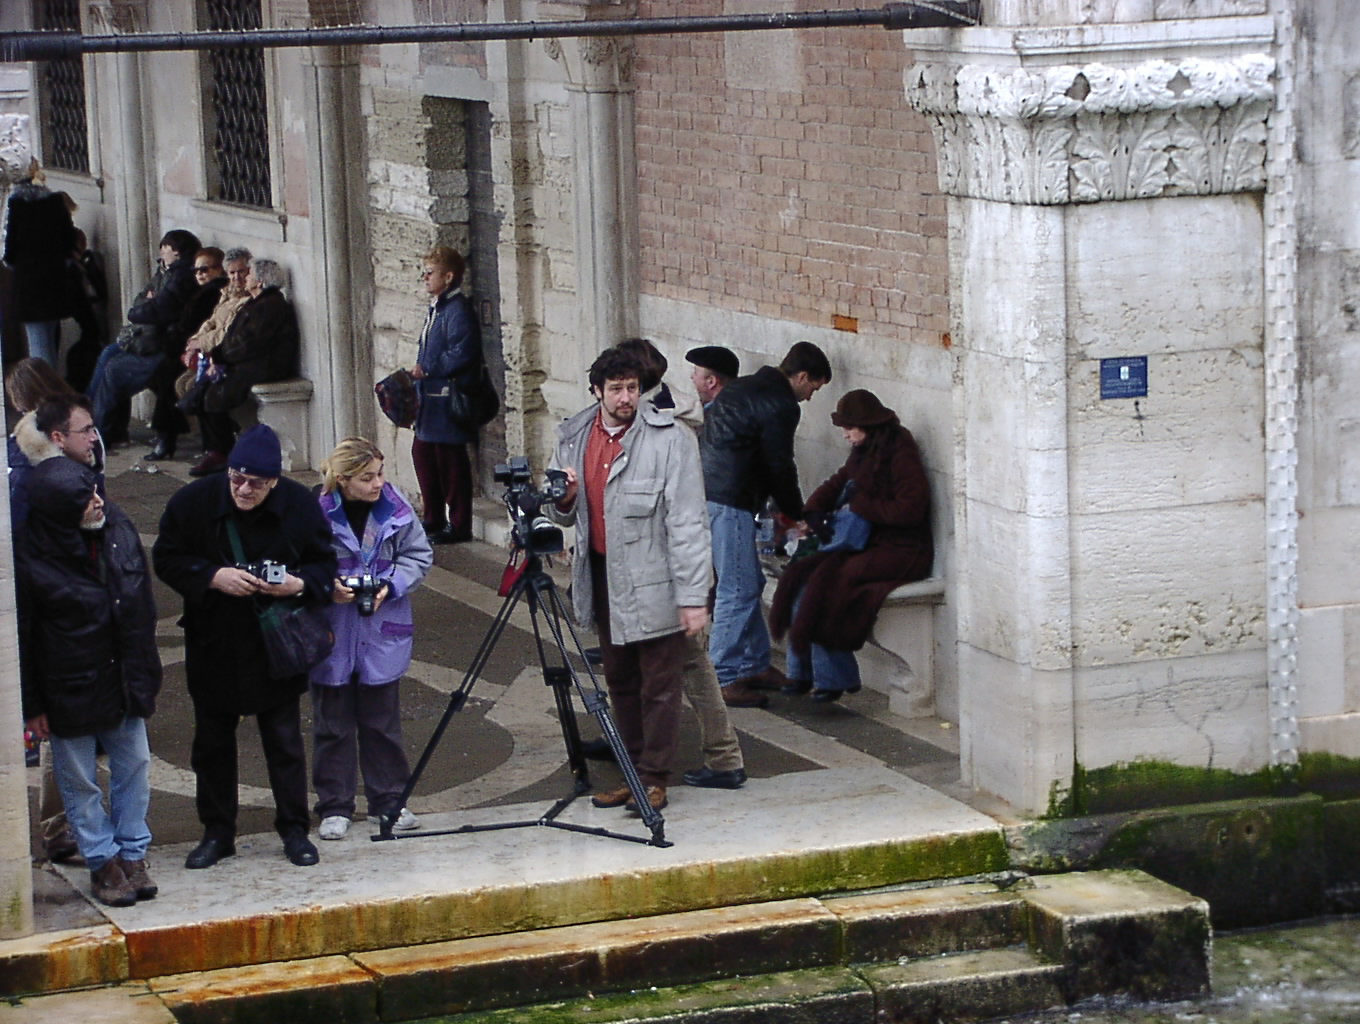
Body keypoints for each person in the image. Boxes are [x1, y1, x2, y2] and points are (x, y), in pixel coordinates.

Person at [153, 424, 336, 869]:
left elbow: (323, 564)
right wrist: (212, 576)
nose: (244, 488)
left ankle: (294, 830)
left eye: (256, 482)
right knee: (212, 744)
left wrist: (297, 584)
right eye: (237, 478)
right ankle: (217, 832)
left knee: (284, 742)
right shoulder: (193, 502)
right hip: (214, 639)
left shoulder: (298, 506)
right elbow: (166, 557)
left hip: (276, 643)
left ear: (274, 481)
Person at [547, 346, 712, 813]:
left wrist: (693, 596)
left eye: (633, 388)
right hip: (602, 575)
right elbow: (558, 512)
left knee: (660, 685)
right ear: (597, 390)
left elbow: (688, 523)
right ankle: (633, 771)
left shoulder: (671, 439)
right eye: (616, 388)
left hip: (655, 578)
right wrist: (564, 501)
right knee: (619, 680)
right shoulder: (575, 435)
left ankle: (654, 779)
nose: (626, 397)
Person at [17, 458, 162, 907]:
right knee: (79, 780)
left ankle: (132, 854)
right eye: (86, 499)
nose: (99, 501)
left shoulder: (115, 528)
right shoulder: (32, 557)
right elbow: (24, 637)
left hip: (122, 674)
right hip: (69, 683)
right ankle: (102, 861)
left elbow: (140, 603)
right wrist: (33, 704)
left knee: (134, 765)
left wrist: (145, 670)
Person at [615, 339, 746, 790]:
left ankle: (719, 756)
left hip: (667, 572)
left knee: (687, 663)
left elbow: (683, 520)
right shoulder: (666, 413)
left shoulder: (666, 430)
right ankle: (710, 753)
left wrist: (690, 593)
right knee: (679, 663)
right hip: (660, 570)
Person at [769, 389, 934, 702]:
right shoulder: (864, 452)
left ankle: (834, 676)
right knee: (801, 576)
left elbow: (911, 509)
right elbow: (838, 481)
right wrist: (815, 510)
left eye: (848, 428)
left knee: (827, 582)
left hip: (901, 549)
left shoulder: (900, 453)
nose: (844, 435)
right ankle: (803, 671)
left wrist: (862, 507)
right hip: (870, 543)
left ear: (867, 425)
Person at [310, 437, 433, 839]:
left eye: (380, 474)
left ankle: (390, 801)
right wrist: (326, 586)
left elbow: (418, 556)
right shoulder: (315, 514)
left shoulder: (396, 511)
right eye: (367, 477)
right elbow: (301, 561)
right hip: (333, 631)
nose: (378, 483)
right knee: (333, 724)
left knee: (382, 723)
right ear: (343, 479)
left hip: (382, 630)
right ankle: (335, 805)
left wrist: (390, 585)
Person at [699, 341, 831, 708]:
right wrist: (796, 512)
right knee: (737, 588)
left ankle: (753, 664)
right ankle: (724, 677)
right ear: (801, 376)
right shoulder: (780, 404)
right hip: (732, 499)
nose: (810, 398)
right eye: (813, 388)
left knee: (749, 581)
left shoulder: (742, 387)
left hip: (714, 492)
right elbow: (779, 465)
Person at [88, 229, 202, 445]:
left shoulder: (181, 277)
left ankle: (102, 430)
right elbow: (142, 299)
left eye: (164, 248)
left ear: (176, 251)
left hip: (163, 346)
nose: (161, 253)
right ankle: (93, 417)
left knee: (115, 370)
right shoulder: (165, 272)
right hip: (148, 339)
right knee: (109, 353)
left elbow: (154, 310)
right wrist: (148, 303)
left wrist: (148, 304)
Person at [189, 258, 299, 476]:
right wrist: (218, 357)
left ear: (259, 281)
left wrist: (221, 358)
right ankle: (215, 449)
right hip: (251, 361)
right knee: (206, 389)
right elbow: (235, 337)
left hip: (267, 365)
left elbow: (250, 343)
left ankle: (220, 452)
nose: (246, 278)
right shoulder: (259, 302)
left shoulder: (271, 306)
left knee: (215, 394)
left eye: (249, 275)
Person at [409, 245, 482, 544]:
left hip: (447, 395)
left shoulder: (457, 310)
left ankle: (459, 523)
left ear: (448, 277)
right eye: (424, 272)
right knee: (423, 453)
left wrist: (429, 368)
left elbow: (461, 351)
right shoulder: (437, 307)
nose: (425, 278)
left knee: (450, 461)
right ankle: (433, 516)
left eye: (431, 273)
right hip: (429, 397)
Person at [144, 246, 229, 461]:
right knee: (163, 375)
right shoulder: (200, 291)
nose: (199, 274)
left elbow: (204, 326)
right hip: (189, 348)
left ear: (220, 270)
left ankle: (168, 436)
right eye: (196, 270)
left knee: (170, 377)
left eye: (205, 269)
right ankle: (169, 433)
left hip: (206, 352)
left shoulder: (211, 293)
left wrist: (191, 345)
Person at [2, 160, 77, 367]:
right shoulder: (54, 201)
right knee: (50, 339)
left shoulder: (17, 205)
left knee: (39, 345)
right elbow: (68, 241)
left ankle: (46, 392)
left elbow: (10, 249)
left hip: (30, 286)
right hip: (55, 281)